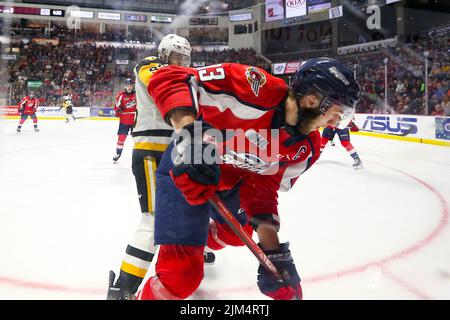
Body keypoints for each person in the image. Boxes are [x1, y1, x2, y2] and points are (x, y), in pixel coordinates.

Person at [134, 57, 360, 300]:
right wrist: (190, 137)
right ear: (313, 100)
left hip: (232, 181)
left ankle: (197, 239)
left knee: (235, 235)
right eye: (339, 112)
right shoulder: (255, 87)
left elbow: (262, 190)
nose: (338, 122)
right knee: (180, 279)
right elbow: (169, 77)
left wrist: (274, 256)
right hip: (189, 167)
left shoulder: (306, 148)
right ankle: (184, 247)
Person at [106, 34, 214, 300]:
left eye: (184, 59)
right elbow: (160, 79)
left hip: (175, 149)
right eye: (176, 57)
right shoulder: (150, 64)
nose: (181, 63)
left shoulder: (179, 73)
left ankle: (192, 249)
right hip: (150, 150)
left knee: (187, 206)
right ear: (164, 54)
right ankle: (123, 287)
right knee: (153, 219)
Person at [113, 78, 137, 162]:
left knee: (137, 138)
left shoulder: (137, 94)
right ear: (125, 87)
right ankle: (118, 153)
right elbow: (116, 106)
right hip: (124, 121)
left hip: (135, 120)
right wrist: (118, 110)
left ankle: (139, 155)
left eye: (130, 85)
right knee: (121, 138)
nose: (129, 87)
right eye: (128, 86)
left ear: (133, 86)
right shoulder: (121, 95)